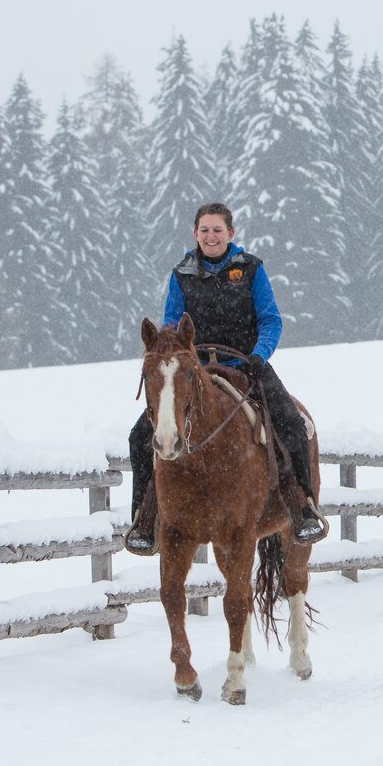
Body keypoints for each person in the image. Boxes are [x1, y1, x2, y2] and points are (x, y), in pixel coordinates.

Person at [126, 202, 327, 555]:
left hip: (246, 364)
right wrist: (173, 352)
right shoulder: (182, 274)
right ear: (195, 234)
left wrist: (259, 355)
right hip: (195, 370)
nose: (211, 236)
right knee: (140, 435)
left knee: (292, 423)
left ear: (231, 234)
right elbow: (171, 322)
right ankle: (145, 518)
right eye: (204, 230)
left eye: (218, 230)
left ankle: (303, 507)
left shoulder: (250, 269)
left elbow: (270, 319)